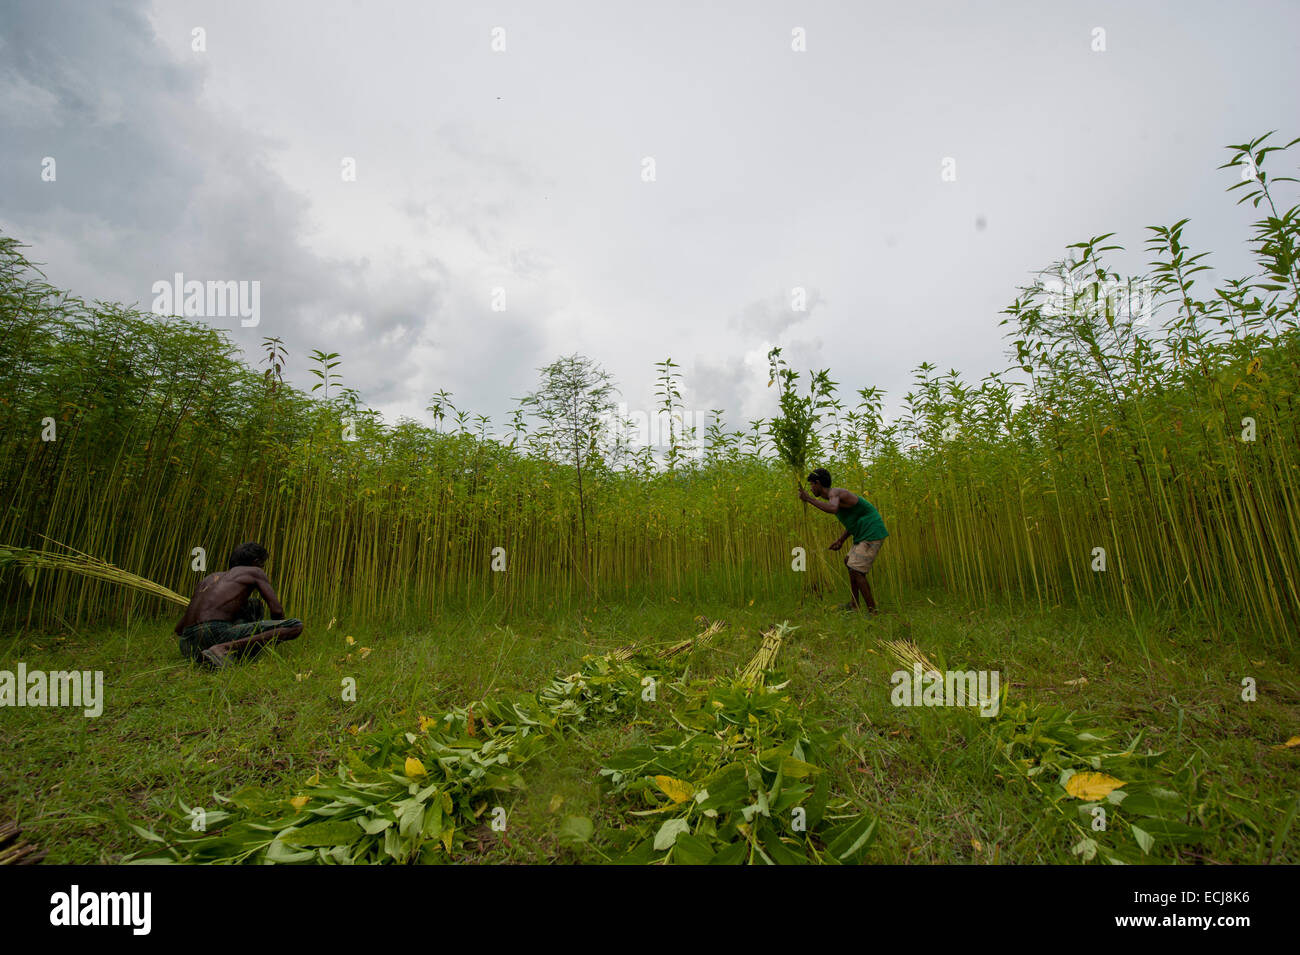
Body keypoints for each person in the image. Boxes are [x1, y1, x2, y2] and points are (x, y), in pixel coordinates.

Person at [174, 542, 304, 668]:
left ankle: (220, 654)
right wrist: (273, 634)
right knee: (295, 625)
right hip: (214, 633)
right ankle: (225, 648)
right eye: (262, 564)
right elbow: (277, 611)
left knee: (252, 604)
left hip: (187, 644)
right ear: (256, 562)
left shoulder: (208, 579)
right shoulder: (254, 572)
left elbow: (179, 629)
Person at [798, 467, 889, 612]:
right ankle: (854, 605)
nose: (811, 488)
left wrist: (809, 499)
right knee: (849, 562)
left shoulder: (835, 493)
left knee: (856, 570)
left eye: (811, 485)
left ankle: (872, 611)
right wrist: (841, 540)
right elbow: (854, 519)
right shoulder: (834, 497)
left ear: (818, 483)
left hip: (872, 532)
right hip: (862, 533)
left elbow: (832, 509)